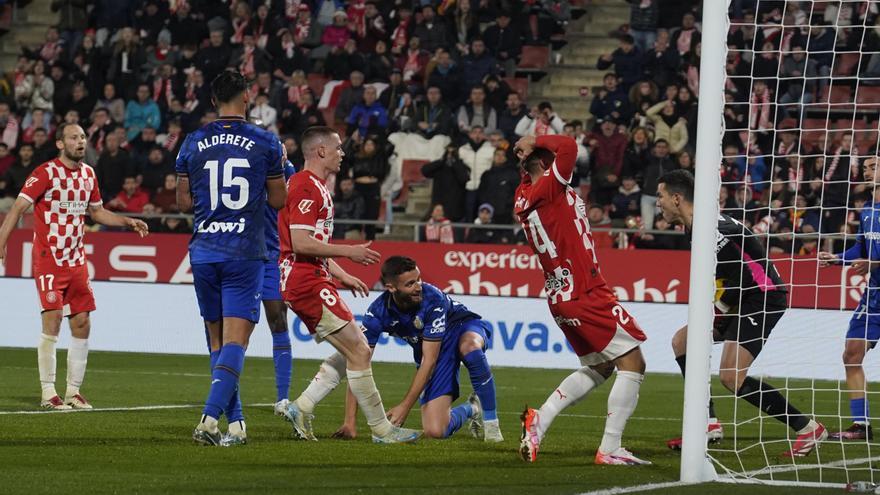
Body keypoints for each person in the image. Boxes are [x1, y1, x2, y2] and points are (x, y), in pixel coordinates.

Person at [656, 169, 827, 457]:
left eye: (660, 196)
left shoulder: (713, 230)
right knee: (682, 342)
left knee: (731, 377)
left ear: (676, 198)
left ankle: (809, 428)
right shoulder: (696, 226)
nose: (657, 203)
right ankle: (707, 424)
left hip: (763, 297)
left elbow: (743, 278)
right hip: (742, 298)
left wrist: (717, 309)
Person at [278, 125, 421, 444]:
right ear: (321, 151)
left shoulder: (314, 186)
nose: (343, 153)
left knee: (354, 347)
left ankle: (301, 406)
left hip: (313, 277)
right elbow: (300, 243)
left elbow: (310, 243)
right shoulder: (304, 186)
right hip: (304, 280)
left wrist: (341, 273)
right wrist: (350, 251)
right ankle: (382, 430)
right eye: (338, 148)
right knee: (359, 348)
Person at [513, 134, 650, 465]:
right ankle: (610, 448)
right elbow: (569, 146)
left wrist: (527, 153)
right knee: (633, 362)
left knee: (600, 366)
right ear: (548, 165)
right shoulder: (549, 187)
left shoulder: (523, 194)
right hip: (584, 291)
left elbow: (536, 166)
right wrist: (536, 140)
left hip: (561, 294)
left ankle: (539, 421)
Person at [0, 122, 148, 410]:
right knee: (53, 319)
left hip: (76, 261)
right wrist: (2, 242)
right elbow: (17, 208)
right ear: (60, 143)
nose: (80, 142)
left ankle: (73, 392)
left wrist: (128, 221)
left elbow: (97, 212)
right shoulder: (45, 173)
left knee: (82, 322)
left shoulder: (89, 175)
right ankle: (47, 393)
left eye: (82, 137)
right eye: (73, 137)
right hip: (49, 259)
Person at [175, 70, 288, 447]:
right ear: (248, 96)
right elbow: (278, 200)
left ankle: (236, 423)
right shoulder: (266, 142)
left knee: (216, 341)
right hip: (244, 252)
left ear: (212, 101)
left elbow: (183, 201)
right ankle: (209, 420)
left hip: (205, 251)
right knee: (236, 342)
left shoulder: (192, 141)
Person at [335, 256, 503, 442]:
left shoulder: (433, 299)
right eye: (410, 283)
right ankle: (473, 408)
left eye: (419, 279)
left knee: (469, 348)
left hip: (462, 326)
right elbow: (358, 363)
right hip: (435, 346)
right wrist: (349, 422)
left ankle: (492, 425)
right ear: (391, 288)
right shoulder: (377, 313)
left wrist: (404, 407)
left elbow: (429, 361)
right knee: (435, 430)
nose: (418, 286)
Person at [818, 156, 880, 441]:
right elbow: (860, 249)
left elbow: (869, 260)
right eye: (866, 167)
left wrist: (873, 264)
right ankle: (861, 424)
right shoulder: (867, 209)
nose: (867, 171)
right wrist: (837, 259)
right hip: (875, 297)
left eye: (873, 166)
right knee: (851, 354)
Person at [264, 158, 299, 418]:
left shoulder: (286, 171)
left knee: (278, 321)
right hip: (243, 254)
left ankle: (282, 397)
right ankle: (224, 395)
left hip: (272, 257)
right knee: (233, 328)